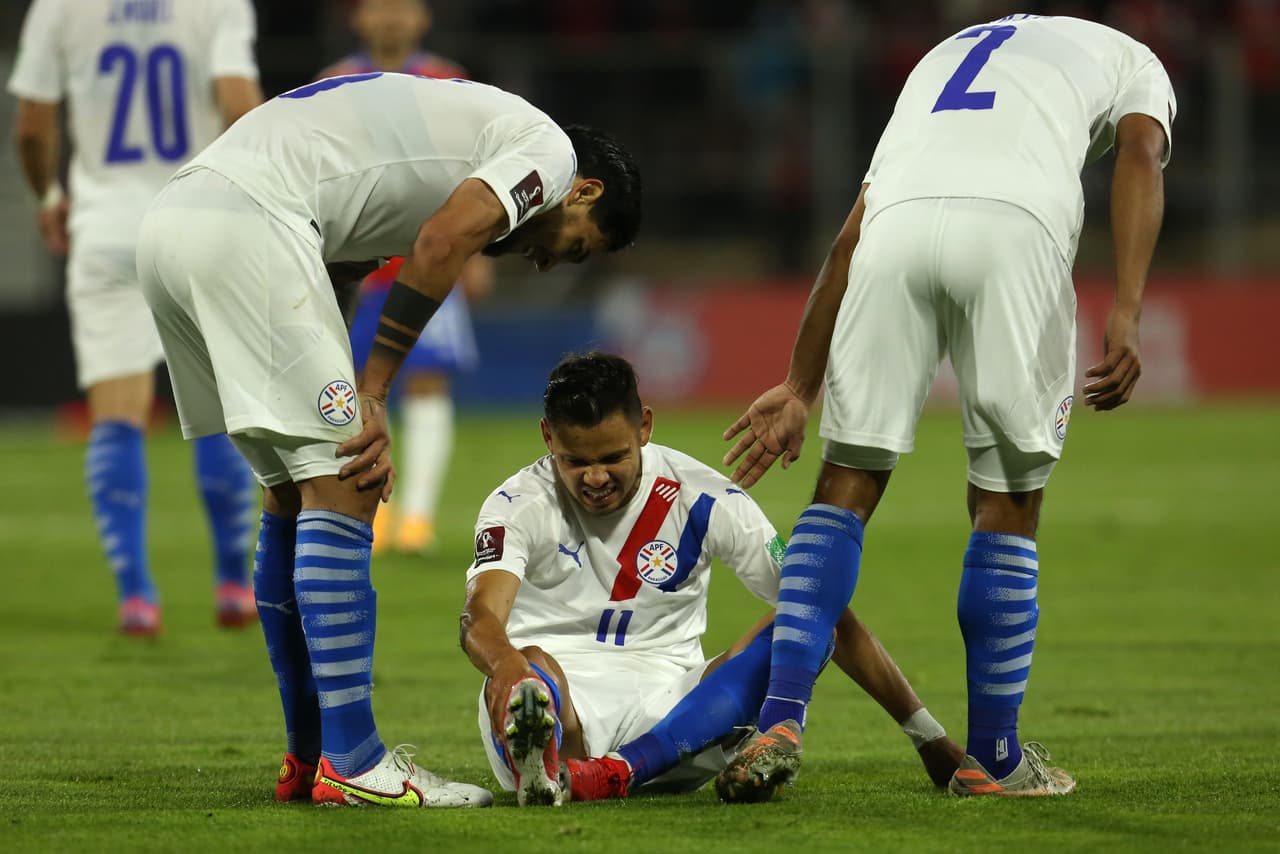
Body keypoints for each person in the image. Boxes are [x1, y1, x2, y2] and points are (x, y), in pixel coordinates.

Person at [134, 72, 642, 807]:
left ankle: (308, 756)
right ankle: (356, 761)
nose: (548, 259)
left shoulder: (479, 133)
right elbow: (441, 243)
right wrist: (370, 390)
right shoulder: (550, 153)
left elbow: (352, 237)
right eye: (576, 247)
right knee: (351, 478)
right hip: (250, 222)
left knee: (292, 493)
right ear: (584, 191)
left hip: (176, 221)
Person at [717, 13, 1175, 800]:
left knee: (843, 487)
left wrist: (800, 385)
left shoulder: (942, 54)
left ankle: (781, 719)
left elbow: (850, 235)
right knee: (1006, 499)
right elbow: (1139, 154)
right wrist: (1128, 305)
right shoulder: (1132, 57)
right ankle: (994, 758)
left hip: (895, 232)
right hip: (1014, 229)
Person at [459, 352, 964, 806]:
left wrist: (929, 738)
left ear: (645, 428)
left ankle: (608, 773)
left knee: (809, 619)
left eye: (613, 457)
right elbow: (481, 616)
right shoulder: (516, 504)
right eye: (576, 462)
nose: (595, 478)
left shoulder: (702, 497)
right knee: (530, 664)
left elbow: (817, 609)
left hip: (677, 713)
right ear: (549, 438)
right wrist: (505, 667)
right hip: (552, 703)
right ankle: (552, 758)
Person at [8, 0, 265, 635]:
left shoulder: (60, 7)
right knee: (215, 408)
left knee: (115, 415)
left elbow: (33, 127)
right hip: (197, 221)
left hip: (105, 228)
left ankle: (137, 595)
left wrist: (49, 194)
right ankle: (233, 584)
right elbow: (241, 106)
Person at [318, 0, 494, 555]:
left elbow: (477, 171)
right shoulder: (333, 85)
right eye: (379, 7)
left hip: (428, 256)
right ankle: (367, 517)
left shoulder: (449, 81)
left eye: (402, 7)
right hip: (352, 264)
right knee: (344, 393)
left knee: (426, 384)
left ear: (423, 17)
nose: (391, 17)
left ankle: (415, 517)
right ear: (356, 17)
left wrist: (480, 251)